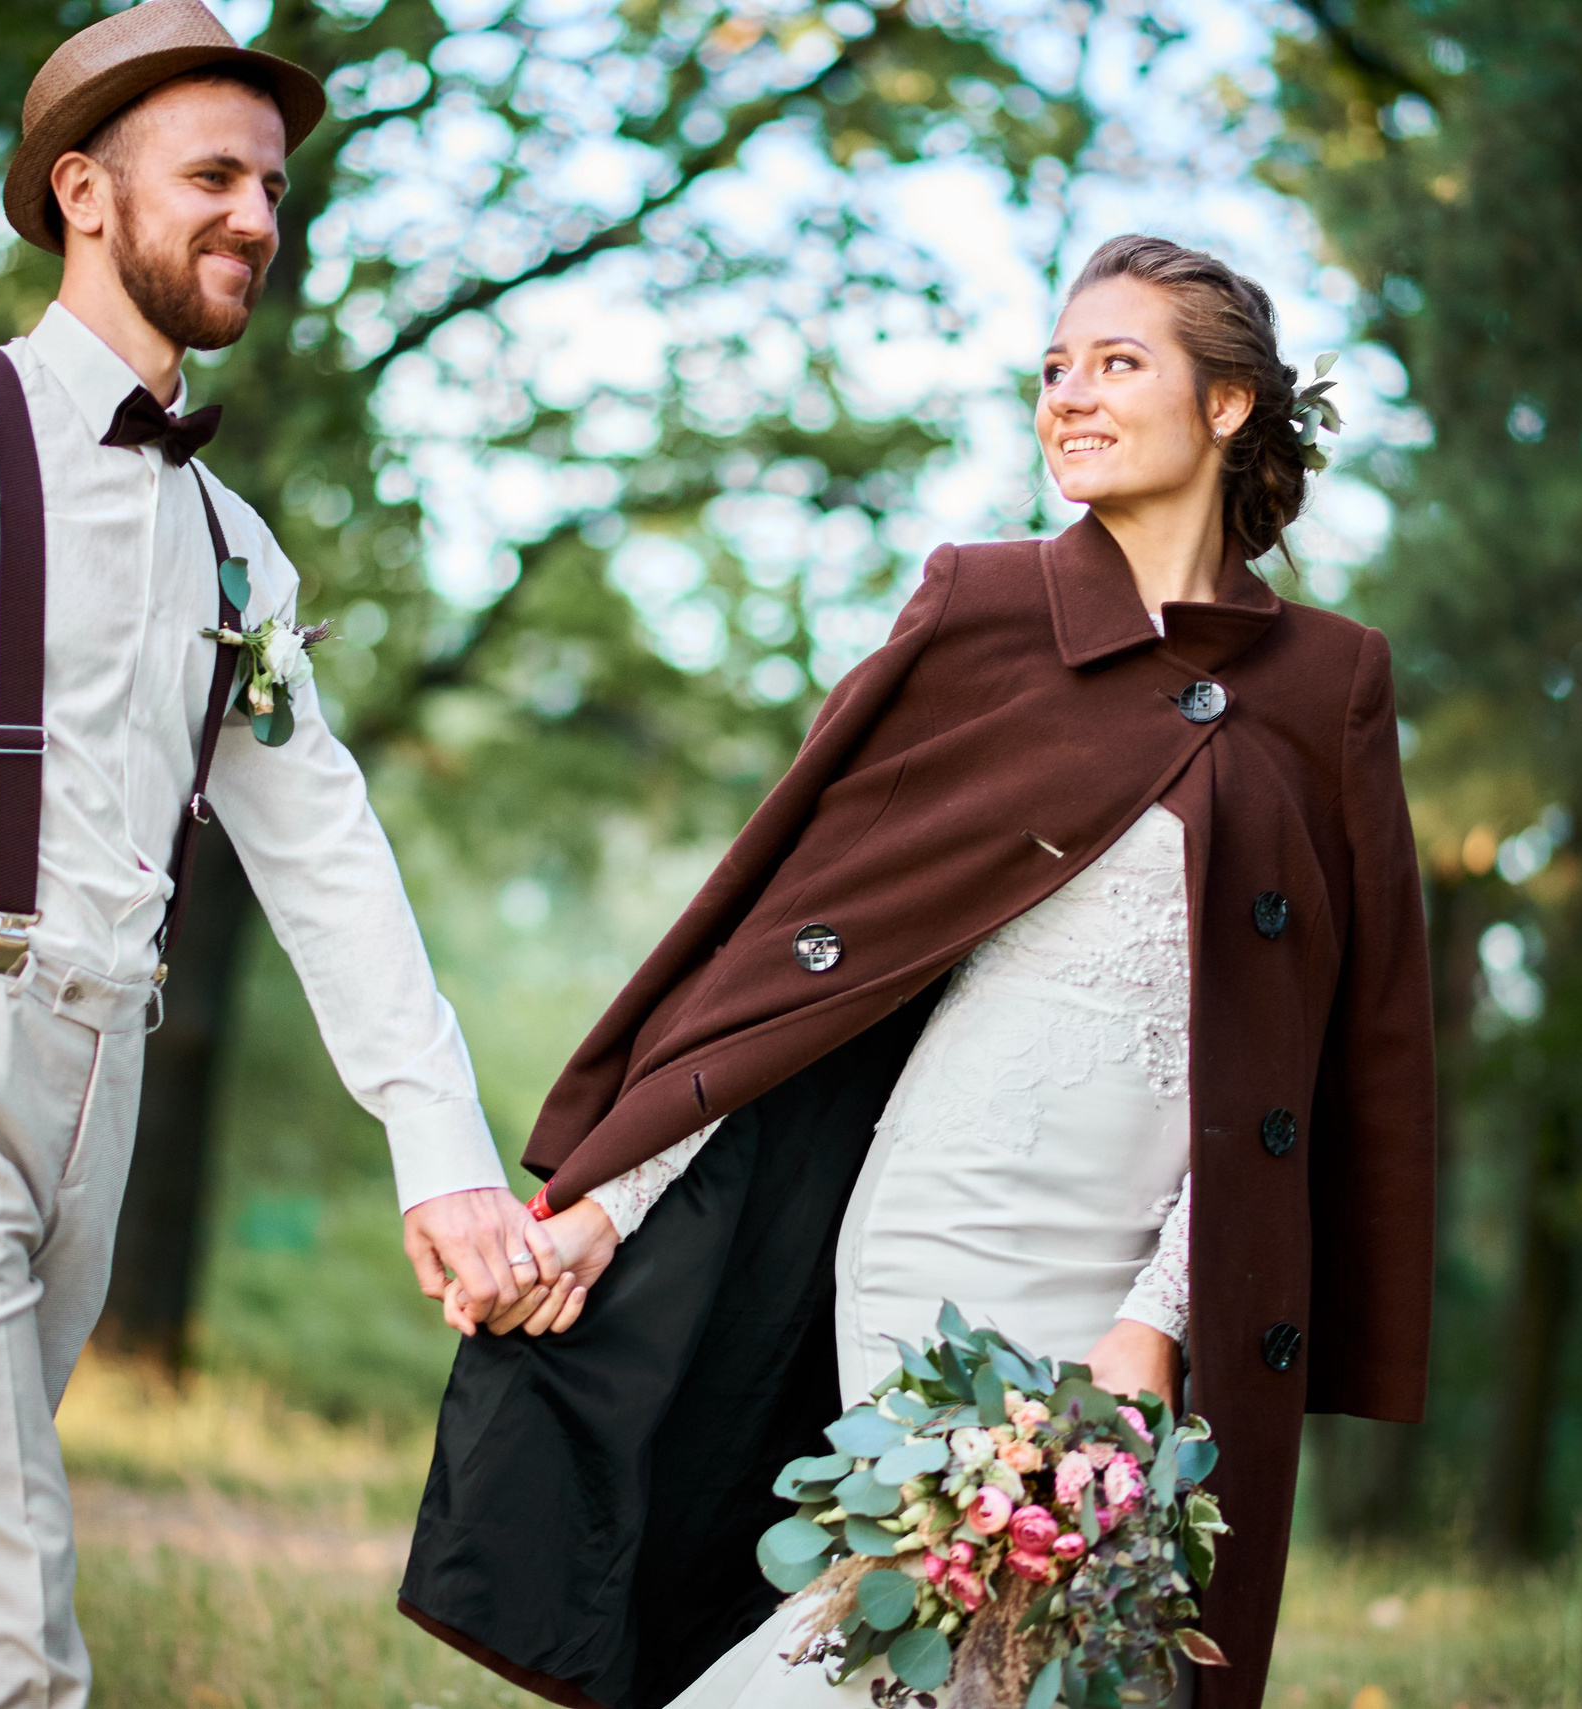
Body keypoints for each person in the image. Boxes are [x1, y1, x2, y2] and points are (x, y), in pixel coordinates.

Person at [0, 4, 558, 1703]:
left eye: (273, 188)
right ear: (83, 193)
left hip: (95, 1080)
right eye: (212, 176)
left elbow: (327, 852)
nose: (257, 221)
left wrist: (442, 1147)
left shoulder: (232, 541)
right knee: (6, 1629)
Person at [398, 235, 1438, 1709]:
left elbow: (1329, 1055)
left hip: (1159, 1266)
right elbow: (793, 943)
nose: (1068, 395)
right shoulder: (981, 608)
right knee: (924, 1637)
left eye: (1117, 362)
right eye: (1053, 368)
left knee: (1093, 1670)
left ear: (1227, 407)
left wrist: (1161, 1317)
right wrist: (612, 1201)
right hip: (947, 1235)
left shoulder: (1333, 682)